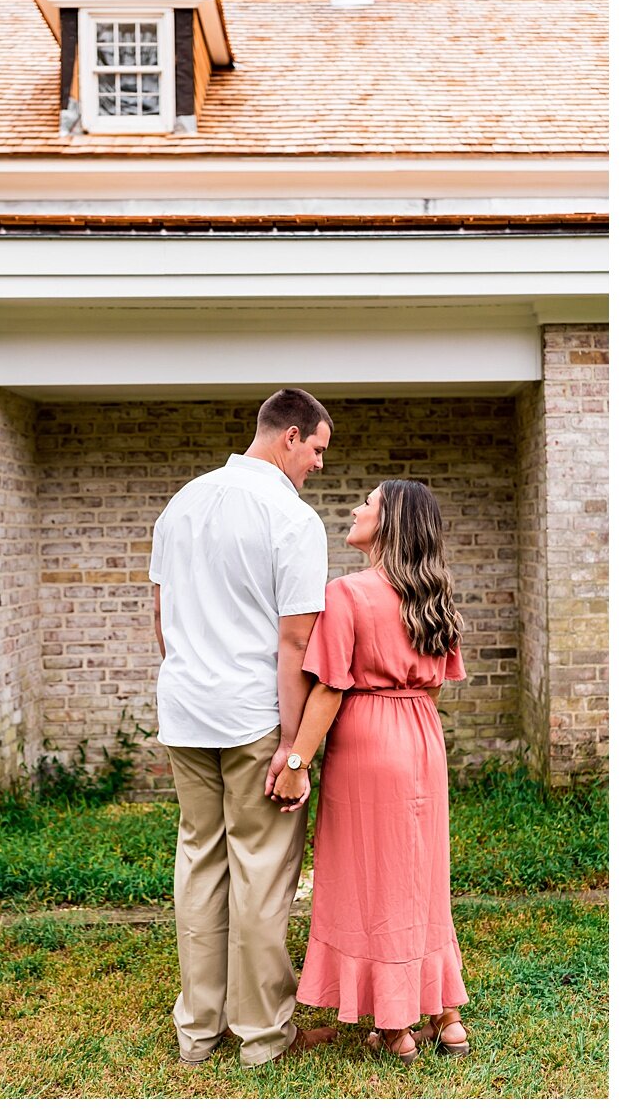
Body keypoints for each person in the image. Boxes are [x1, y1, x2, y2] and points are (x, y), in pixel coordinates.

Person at [149, 388, 337, 1068]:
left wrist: (189, 688)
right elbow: (295, 645)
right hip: (255, 716)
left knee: (199, 860)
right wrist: (293, 747)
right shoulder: (292, 519)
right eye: (317, 449)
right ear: (288, 436)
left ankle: (197, 1032)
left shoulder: (183, 502)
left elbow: (162, 620)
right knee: (260, 871)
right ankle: (262, 1037)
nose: (318, 464)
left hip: (185, 713)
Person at [272, 480, 470, 1063]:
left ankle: (396, 1026)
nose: (355, 509)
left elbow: (330, 689)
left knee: (372, 880)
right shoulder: (433, 595)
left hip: (367, 739)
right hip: (422, 738)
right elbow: (434, 684)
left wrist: (295, 761)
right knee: (422, 877)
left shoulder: (349, 593)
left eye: (369, 503)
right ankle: (448, 1018)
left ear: (388, 525)